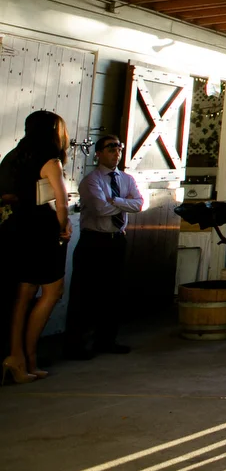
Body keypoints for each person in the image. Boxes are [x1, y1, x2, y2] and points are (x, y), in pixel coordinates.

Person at [1, 111, 72, 384]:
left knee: (22, 294)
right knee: (53, 290)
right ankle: (29, 356)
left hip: (16, 227)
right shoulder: (50, 160)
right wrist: (64, 226)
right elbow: (62, 201)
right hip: (42, 229)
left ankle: (15, 358)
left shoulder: (13, 157)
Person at [62, 133, 143, 360]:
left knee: (112, 292)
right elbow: (100, 209)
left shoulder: (126, 179)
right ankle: (75, 343)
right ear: (98, 153)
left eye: (119, 147)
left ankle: (106, 339)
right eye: (110, 148)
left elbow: (138, 204)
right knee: (85, 293)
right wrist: (123, 204)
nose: (116, 152)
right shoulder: (91, 180)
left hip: (116, 239)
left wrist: (115, 201)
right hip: (94, 241)